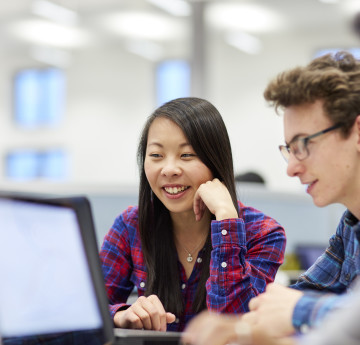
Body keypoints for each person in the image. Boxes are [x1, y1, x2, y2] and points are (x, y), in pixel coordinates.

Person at [182, 51, 360, 344]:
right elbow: (292, 298)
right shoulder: (350, 226)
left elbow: (301, 307)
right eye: (288, 149)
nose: (291, 168)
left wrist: (297, 310)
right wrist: (245, 328)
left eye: (304, 144)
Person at [99, 97, 286, 333]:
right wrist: (121, 315)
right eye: (156, 156)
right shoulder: (131, 225)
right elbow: (89, 309)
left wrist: (227, 220)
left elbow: (232, 324)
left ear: (215, 160)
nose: (169, 169)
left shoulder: (263, 233)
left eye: (186, 155)